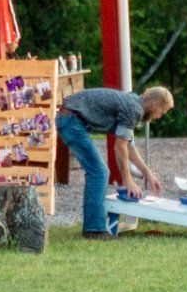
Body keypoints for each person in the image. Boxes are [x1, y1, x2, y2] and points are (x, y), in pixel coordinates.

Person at [55, 85, 173, 239]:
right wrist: (128, 180)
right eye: (161, 112)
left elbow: (130, 147)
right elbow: (120, 147)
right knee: (99, 172)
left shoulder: (133, 103)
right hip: (71, 120)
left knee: (99, 171)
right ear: (155, 104)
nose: (158, 117)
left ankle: (94, 228)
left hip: (70, 118)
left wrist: (148, 174)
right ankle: (94, 231)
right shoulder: (134, 109)